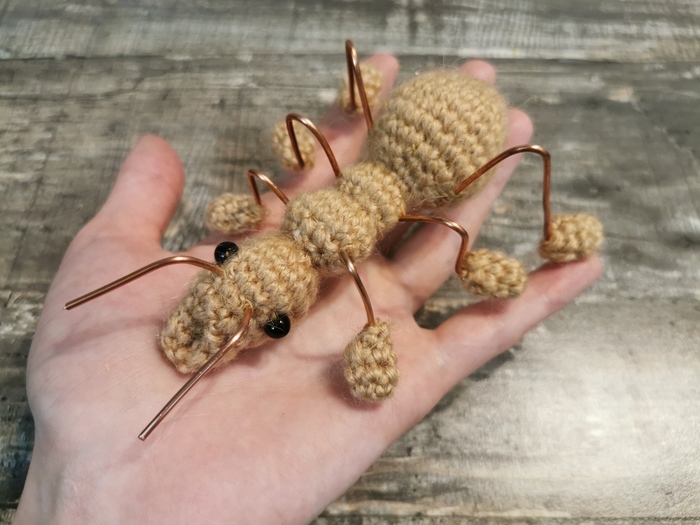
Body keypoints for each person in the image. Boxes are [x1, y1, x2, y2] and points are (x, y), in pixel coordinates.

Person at [14, 56, 602, 524]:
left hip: (431, 157)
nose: (231, 257)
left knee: (527, 150)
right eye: (226, 255)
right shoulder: (297, 239)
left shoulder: (404, 218)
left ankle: (555, 235)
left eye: (278, 326)